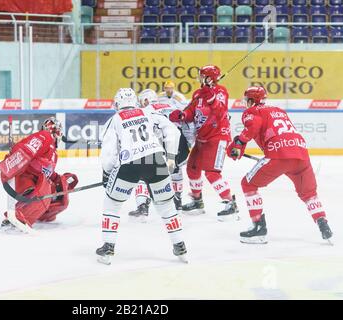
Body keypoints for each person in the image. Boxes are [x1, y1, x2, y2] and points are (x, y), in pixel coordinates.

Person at [226, 86, 333, 244]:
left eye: (247, 100)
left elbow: (253, 127)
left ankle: (258, 228)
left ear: (251, 100)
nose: (245, 104)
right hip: (301, 154)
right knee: (309, 193)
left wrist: (239, 143)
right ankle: (323, 224)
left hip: (278, 155)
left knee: (248, 184)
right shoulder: (279, 110)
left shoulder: (252, 111)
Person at [96, 88, 188, 265]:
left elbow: (108, 154)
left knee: (112, 204)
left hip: (130, 163)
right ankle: (180, 245)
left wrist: (108, 173)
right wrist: (170, 157)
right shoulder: (148, 112)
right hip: (156, 160)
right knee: (167, 207)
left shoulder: (114, 120)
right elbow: (173, 131)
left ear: (117, 104)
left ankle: (108, 247)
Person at [169, 65, 238, 221]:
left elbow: (220, 112)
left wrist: (211, 97)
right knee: (192, 168)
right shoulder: (198, 93)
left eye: (202, 76)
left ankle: (230, 203)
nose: (199, 78)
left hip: (217, 137)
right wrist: (182, 115)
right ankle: (197, 201)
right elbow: (191, 112)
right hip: (202, 138)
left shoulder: (221, 91)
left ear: (208, 78)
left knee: (212, 173)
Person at [0, 117, 78, 233]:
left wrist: (59, 180)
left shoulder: (53, 153)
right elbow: (27, 148)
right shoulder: (45, 136)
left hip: (33, 180)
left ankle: (40, 213)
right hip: (22, 177)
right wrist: (15, 158)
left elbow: (46, 171)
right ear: (57, 132)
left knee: (58, 194)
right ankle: (17, 216)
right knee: (45, 188)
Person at [128, 88, 191, 221]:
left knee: (144, 175)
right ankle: (177, 202)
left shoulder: (145, 111)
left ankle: (143, 206)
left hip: (162, 145)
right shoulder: (171, 105)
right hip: (181, 144)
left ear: (145, 100)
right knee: (175, 171)